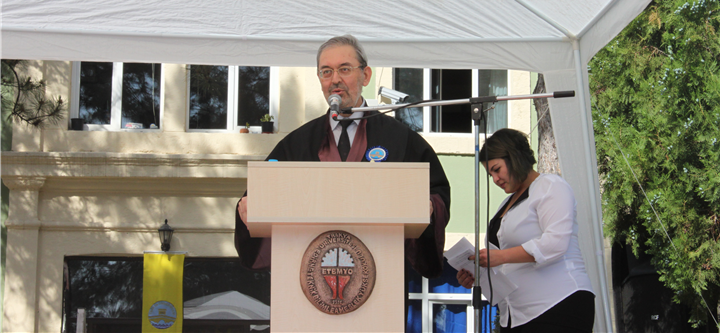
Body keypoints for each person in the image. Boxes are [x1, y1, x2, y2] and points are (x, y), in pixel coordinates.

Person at [235, 34, 450, 279]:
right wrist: (249, 205)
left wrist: (429, 206)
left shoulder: (400, 139)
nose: (335, 79)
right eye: (326, 72)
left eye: (344, 69)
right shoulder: (298, 143)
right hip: (311, 275)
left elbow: (437, 192)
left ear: (365, 76)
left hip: (381, 273)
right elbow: (260, 193)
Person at [456, 128, 594, 332]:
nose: (495, 179)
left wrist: (501, 257)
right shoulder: (505, 205)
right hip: (515, 316)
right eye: (490, 174)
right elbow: (502, 266)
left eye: (497, 169)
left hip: (558, 304)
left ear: (514, 157)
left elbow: (555, 243)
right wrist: (476, 274)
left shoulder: (550, 186)